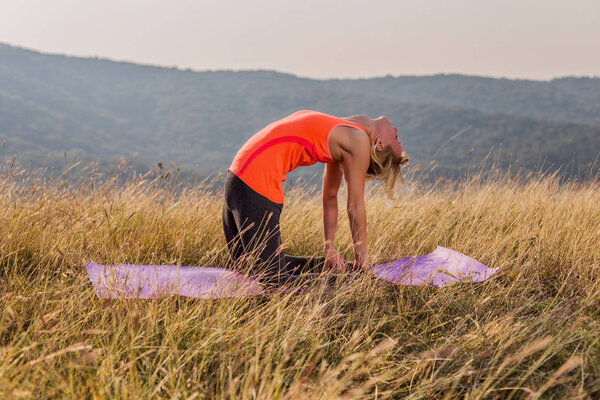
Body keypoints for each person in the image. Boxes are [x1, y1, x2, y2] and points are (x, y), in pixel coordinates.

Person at [222, 110, 408, 287]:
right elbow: (330, 197)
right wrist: (330, 248)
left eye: (396, 138)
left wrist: (362, 261)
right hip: (244, 181)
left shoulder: (356, 140)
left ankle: (353, 279)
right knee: (254, 270)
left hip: (247, 182)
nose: (397, 130)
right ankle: (345, 273)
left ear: (380, 144)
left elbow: (354, 205)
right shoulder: (346, 131)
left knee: (269, 279)